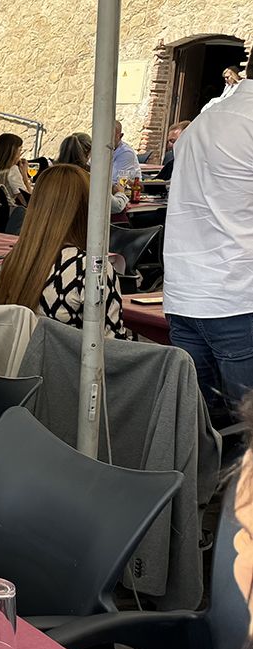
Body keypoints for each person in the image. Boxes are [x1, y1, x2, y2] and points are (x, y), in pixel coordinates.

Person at [165, 78, 253, 415]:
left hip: (186, 294)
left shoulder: (204, 121)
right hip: (236, 299)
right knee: (245, 434)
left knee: (199, 429)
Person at [0, 165, 130, 339]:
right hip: (69, 363)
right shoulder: (91, 269)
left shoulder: (16, 259)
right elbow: (112, 345)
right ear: (89, 208)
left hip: (21, 361)